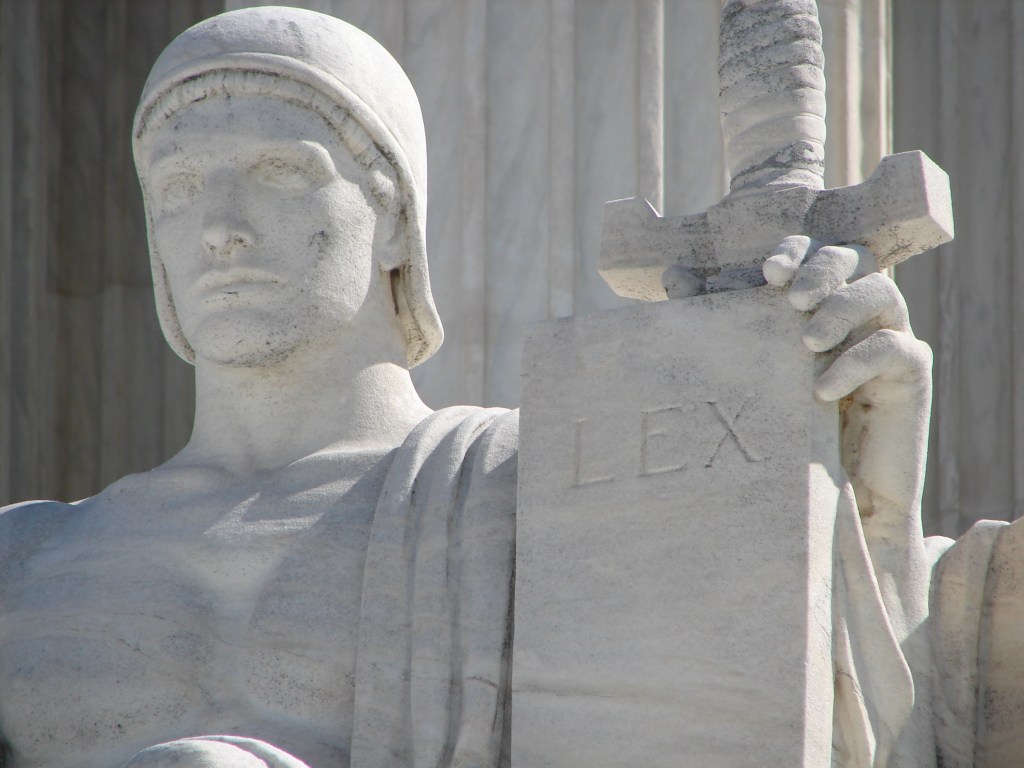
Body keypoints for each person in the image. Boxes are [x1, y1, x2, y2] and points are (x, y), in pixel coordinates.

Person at [0, 6, 942, 768]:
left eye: (280, 172)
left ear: (394, 217)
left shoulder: (546, 491)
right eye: (177, 186)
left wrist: (866, 508)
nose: (219, 226)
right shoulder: (23, 556)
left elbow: (794, 717)